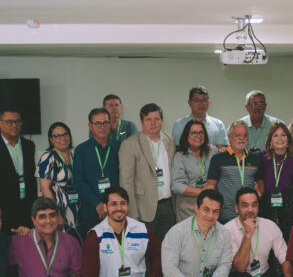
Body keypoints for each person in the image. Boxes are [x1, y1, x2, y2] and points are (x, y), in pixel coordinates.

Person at [225, 188, 293, 277]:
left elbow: (285, 258)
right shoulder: (227, 230)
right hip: (240, 276)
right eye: (245, 205)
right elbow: (239, 267)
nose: (250, 210)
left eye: (254, 205)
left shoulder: (270, 226)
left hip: (263, 273)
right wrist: (247, 235)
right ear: (237, 208)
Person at [119, 103, 176, 240]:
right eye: (148, 119)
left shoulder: (169, 140)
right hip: (143, 209)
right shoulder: (130, 144)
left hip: (168, 206)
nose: (153, 123)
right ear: (142, 122)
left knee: (166, 247)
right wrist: (132, 213)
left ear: (162, 120)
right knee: (146, 249)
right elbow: (126, 182)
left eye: (156, 119)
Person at [0, 109, 36, 232]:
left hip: (26, 207)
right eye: (9, 122)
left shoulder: (29, 146)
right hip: (3, 210)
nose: (14, 125)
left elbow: (31, 178)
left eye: (18, 121)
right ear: (0, 123)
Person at [260, 123, 293, 241]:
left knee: (290, 240)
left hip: (291, 205)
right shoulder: (262, 157)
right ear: (270, 140)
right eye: (275, 135)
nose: (280, 139)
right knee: (269, 240)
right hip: (267, 205)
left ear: (288, 139)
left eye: (283, 135)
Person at [73, 108, 121, 236]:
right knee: (93, 245)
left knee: (116, 245)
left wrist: (113, 203)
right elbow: (78, 181)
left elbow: (125, 177)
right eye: (97, 123)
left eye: (105, 123)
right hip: (91, 209)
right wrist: (97, 203)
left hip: (116, 208)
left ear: (110, 124)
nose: (102, 127)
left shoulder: (120, 147)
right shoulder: (81, 150)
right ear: (90, 126)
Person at [207, 120, 264, 223]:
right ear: (229, 137)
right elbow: (211, 186)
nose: (242, 138)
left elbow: (260, 183)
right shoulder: (218, 158)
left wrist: (258, 199)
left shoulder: (255, 158)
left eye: (245, 135)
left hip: (249, 215)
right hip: (225, 216)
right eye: (237, 135)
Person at [36, 122, 80, 239]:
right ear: (51, 139)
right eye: (57, 136)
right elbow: (45, 189)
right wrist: (57, 213)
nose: (62, 138)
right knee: (63, 242)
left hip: (76, 206)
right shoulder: (48, 157)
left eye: (65, 134)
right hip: (60, 208)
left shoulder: (75, 154)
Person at [172, 120, 215, 222]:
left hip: (210, 205)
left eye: (201, 132)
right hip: (188, 206)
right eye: (193, 132)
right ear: (186, 135)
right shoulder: (180, 156)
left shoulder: (213, 151)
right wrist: (202, 191)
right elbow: (177, 186)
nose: (198, 136)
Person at [172, 85, 228, 150]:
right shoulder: (179, 124)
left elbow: (222, 149)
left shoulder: (218, 124)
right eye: (196, 100)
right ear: (189, 103)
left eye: (204, 100)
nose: (201, 104)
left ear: (208, 103)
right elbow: (176, 150)